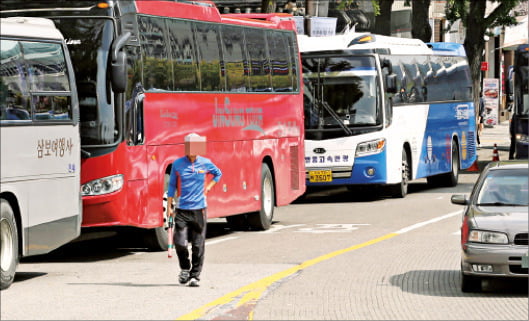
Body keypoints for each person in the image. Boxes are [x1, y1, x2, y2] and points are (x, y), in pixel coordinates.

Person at [166, 133, 222, 287]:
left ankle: (195, 276)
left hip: (199, 210)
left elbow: (218, 174)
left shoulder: (205, 163)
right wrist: (169, 206)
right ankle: (185, 268)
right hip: (182, 209)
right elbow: (171, 186)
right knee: (180, 243)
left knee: (198, 245)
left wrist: (208, 188)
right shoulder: (177, 164)